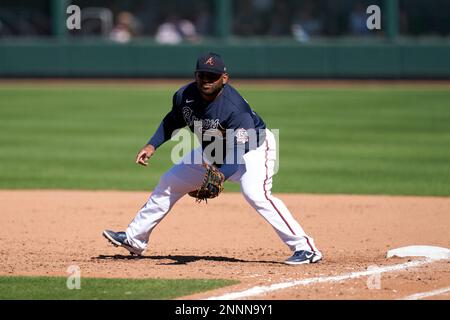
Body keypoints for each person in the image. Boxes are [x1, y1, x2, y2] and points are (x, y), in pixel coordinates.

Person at [103, 52, 322, 265]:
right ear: (195, 75)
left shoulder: (236, 110)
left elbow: (238, 153)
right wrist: (153, 144)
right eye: (202, 75)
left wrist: (220, 176)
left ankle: (305, 248)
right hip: (214, 147)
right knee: (170, 182)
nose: (206, 80)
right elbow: (173, 120)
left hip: (253, 149)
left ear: (224, 78)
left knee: (256, 194)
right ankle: (135, 239)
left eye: (212, 76)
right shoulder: (184, 95)